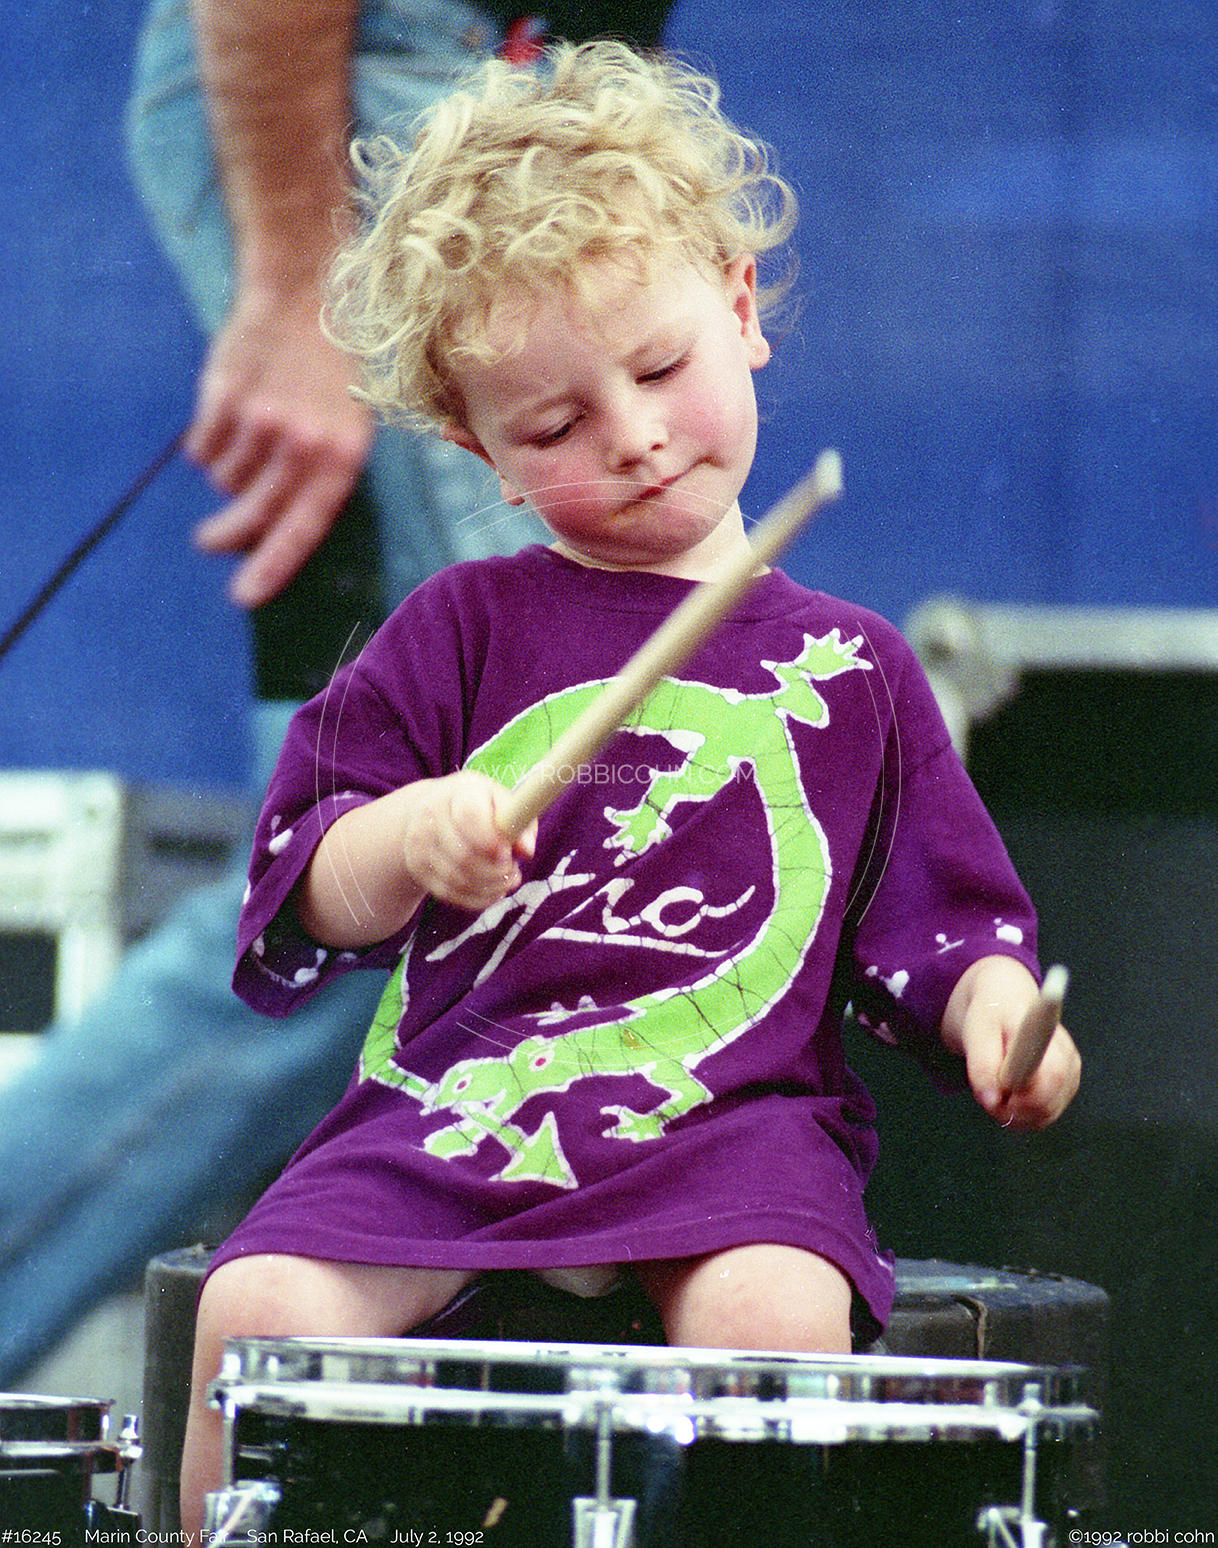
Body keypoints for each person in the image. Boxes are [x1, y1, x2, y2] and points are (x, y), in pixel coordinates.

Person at [180, 40, 1081, 1528]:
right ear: (481, 450)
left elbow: (946, 935)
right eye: (554, 427)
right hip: (461, 1108)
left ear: (740, 307)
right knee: (254, 1312)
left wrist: (1000, 1021)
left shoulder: (852, 669)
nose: (637, 437)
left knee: (774, 1323)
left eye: (659, 369)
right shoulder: (457, 629)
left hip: (729, 1128)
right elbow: (306, 884)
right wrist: (410, 838)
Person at [0, 0, 672, 1388]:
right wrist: (307, 291)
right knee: (409, 867)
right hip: (390, 108)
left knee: (416, 882)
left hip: (495, 105)